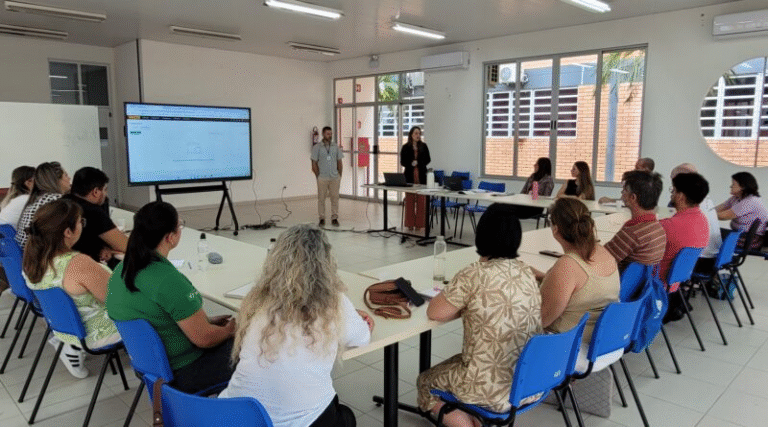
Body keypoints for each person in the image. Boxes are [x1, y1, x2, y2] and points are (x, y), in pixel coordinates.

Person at [220, 224, 372, 427]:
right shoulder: (335, 303)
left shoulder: (258, 299)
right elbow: (362, 337)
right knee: (346, 417)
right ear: (326, 262)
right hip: (301, 421)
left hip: (236, 417)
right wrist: (358, 319)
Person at [416, 203, 542, 427]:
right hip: (527, 382)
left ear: (481, 236)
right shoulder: (526, 270)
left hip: (486, 387)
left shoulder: (473, 274)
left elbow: (434, 312)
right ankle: (476, 417)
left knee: (425, 382)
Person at [107, 201, 236, 394]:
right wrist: (229, 330)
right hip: (184, 371)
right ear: (170, 237)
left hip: (150, 368)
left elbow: (155, 316)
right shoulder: (168, 280)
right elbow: (204, 339)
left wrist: (204, 321)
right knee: (255, 348)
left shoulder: (121, 270)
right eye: (179, 226)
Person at [22, 199, 121, 379]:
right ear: (68, 232)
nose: (82, 225)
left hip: (65, 330)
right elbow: (118, 302)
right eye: (80, 221)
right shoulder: (77, 263)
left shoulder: (32, 262)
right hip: (99, 333)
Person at [531, 198, 619, 371]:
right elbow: (582, 287)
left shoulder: (567, 266)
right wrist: (545, 277)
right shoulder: (603, 252)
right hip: (606, 341)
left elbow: (542, 320)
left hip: (572, 347)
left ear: (555, 229)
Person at [658, 172, 710, 322]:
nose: (671, 194)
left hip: (655, 282)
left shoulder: (668, 226)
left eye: (673, 190)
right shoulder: (702, 220)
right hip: (675, 283)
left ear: (680, 196)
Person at [63, 167, 128, 267]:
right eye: (105, 190)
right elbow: (125, 245)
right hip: (85, 266)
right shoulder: (93, 212)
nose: (106, 195)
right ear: (96, 192)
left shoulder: (62, 202)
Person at [604, 170, 666, 272]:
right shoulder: (658, 228)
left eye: (624, 190)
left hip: (617, 279)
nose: (622, 193)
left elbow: (602, 260)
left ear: (633, 197)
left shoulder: (631, 233)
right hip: (641, 281)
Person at [15, 162, 71, 248]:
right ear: (57, 180)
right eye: (66, 175)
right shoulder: (57, 199)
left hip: (25, 251)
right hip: (39, 252)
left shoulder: (36, 198)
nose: (69, 178)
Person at [715, 172, 768, 249]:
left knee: (712, 236)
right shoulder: (735, 198)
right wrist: (704, 211)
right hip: (739, 234)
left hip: (750, 240)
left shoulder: (750, 201)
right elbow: (715, 210)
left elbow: (723, 216)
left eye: (733, 184)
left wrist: (704, 214)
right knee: (713, 234)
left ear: (742, 186)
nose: (730, 186)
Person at [311, 126, 343, 227]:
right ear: (323, 134)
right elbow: (314, 163)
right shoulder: (317, 147)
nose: (330, 135)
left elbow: (339, 162)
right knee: (321, 198)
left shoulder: (335, 147)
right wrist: (318, 176)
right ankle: (322, 218)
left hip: (334, 177)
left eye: (331, 133)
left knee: (335, 198)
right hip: (322, 178)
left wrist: (339, 175)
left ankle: (334, 218)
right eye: (328, 134)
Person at [400, 126, 431, 230]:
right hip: (409, 176)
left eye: (419, 133)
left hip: (421, 175)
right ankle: (410, 224)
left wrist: (419, 163)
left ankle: (419, 225)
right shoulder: (405, 147)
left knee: (421, 202)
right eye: (416, 133)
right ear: (411, 135)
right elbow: (402, 162)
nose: (418, 135)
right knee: (410, 201)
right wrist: (411, 163)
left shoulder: (424, 146)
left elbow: (428, 159)